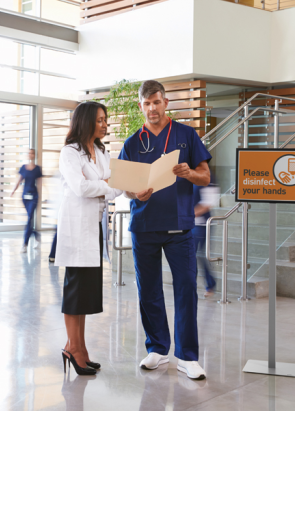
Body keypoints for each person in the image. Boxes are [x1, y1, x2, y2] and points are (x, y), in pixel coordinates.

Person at [119, 79, 212, 380]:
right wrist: (135, 193)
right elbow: (124, 186)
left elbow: (205, 176)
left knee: (186, 289)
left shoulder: (186, 135)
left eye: (157, 102)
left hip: (179, 227)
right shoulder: (133, 142)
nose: (152, 108)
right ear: (141, 106)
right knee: (148, 290)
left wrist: (189, 173)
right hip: (144, 225)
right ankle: (157, 349)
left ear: (166, 103)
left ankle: (187, 357)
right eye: (147, 104)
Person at [55, 102, 122, 376]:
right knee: (75, 289)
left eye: (105, 120)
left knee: (85, 292)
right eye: (100, 120)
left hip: (94, 228)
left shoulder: (101, 152)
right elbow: (80, 187)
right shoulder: (70, 152)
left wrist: (104, 187)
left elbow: (116, 185)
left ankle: (79, 348)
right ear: (86, 121)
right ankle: (73, 348)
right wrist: (106, 186)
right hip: (76, 228)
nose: (105, 125)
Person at [193, 180, 221, 297]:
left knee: (193, 254)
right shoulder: (187, 176)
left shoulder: (208, 179)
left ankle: (207, 284)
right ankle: (209, 284)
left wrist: (189, 213)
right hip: (189, 224)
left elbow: (208, 203)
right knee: (194, 255)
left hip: (201, 224)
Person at [11, 148, 42, 253]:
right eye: (29, 153)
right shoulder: (23, 168)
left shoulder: (37, 169)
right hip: (25, 197)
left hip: (34, 197)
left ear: (35, 155)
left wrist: (40, 197)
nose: (30, 155)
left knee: (29, 219)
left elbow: (40, 184)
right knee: (29, 219)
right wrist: (13, 191)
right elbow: (19, 180)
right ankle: (36, 235)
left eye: (32, 153)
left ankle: (25, 244)